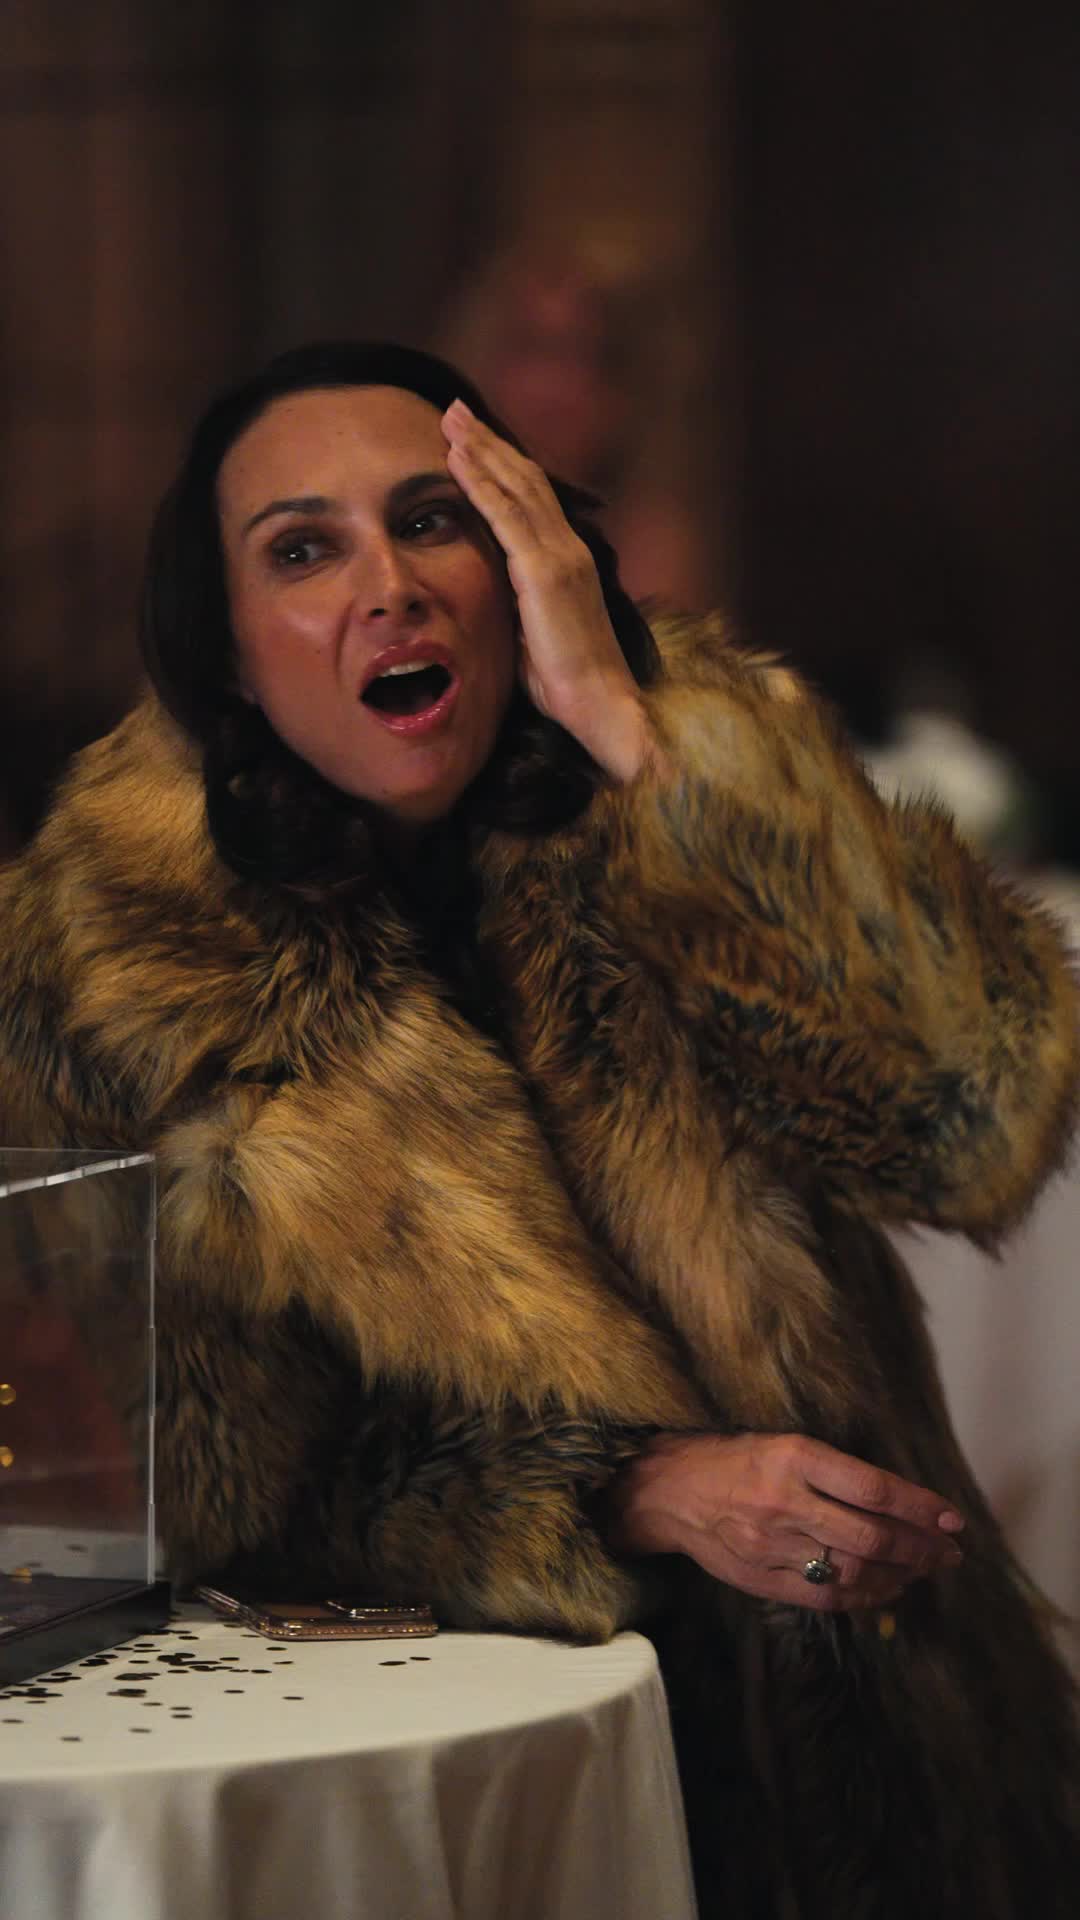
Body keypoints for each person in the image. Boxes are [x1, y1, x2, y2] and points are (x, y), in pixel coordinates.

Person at [0, 341, 1076, 1917]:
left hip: (892, 1740)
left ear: (523, 561)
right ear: (225, 647)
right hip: (476, 1777)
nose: (388, 586)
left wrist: (638, 739)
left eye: (432, 521)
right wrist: (628, 1489)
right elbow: (207, 1497)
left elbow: (967, 1116)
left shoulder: (680, 781)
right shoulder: (110, 965)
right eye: (302, 550)